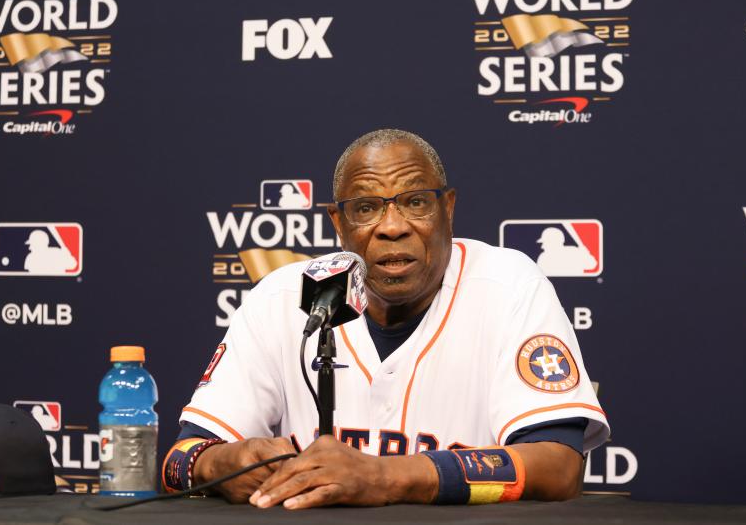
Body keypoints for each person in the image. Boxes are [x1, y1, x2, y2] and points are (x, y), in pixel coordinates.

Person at [163, 129, 608, 509]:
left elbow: (559, 464)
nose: (392, 226)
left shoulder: (507, 286)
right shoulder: (287, 296)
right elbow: (180, 458)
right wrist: (221, 463)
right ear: (338, 222)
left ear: (447, 209)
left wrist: (386, 477)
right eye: (366, 207)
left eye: (415, 202)